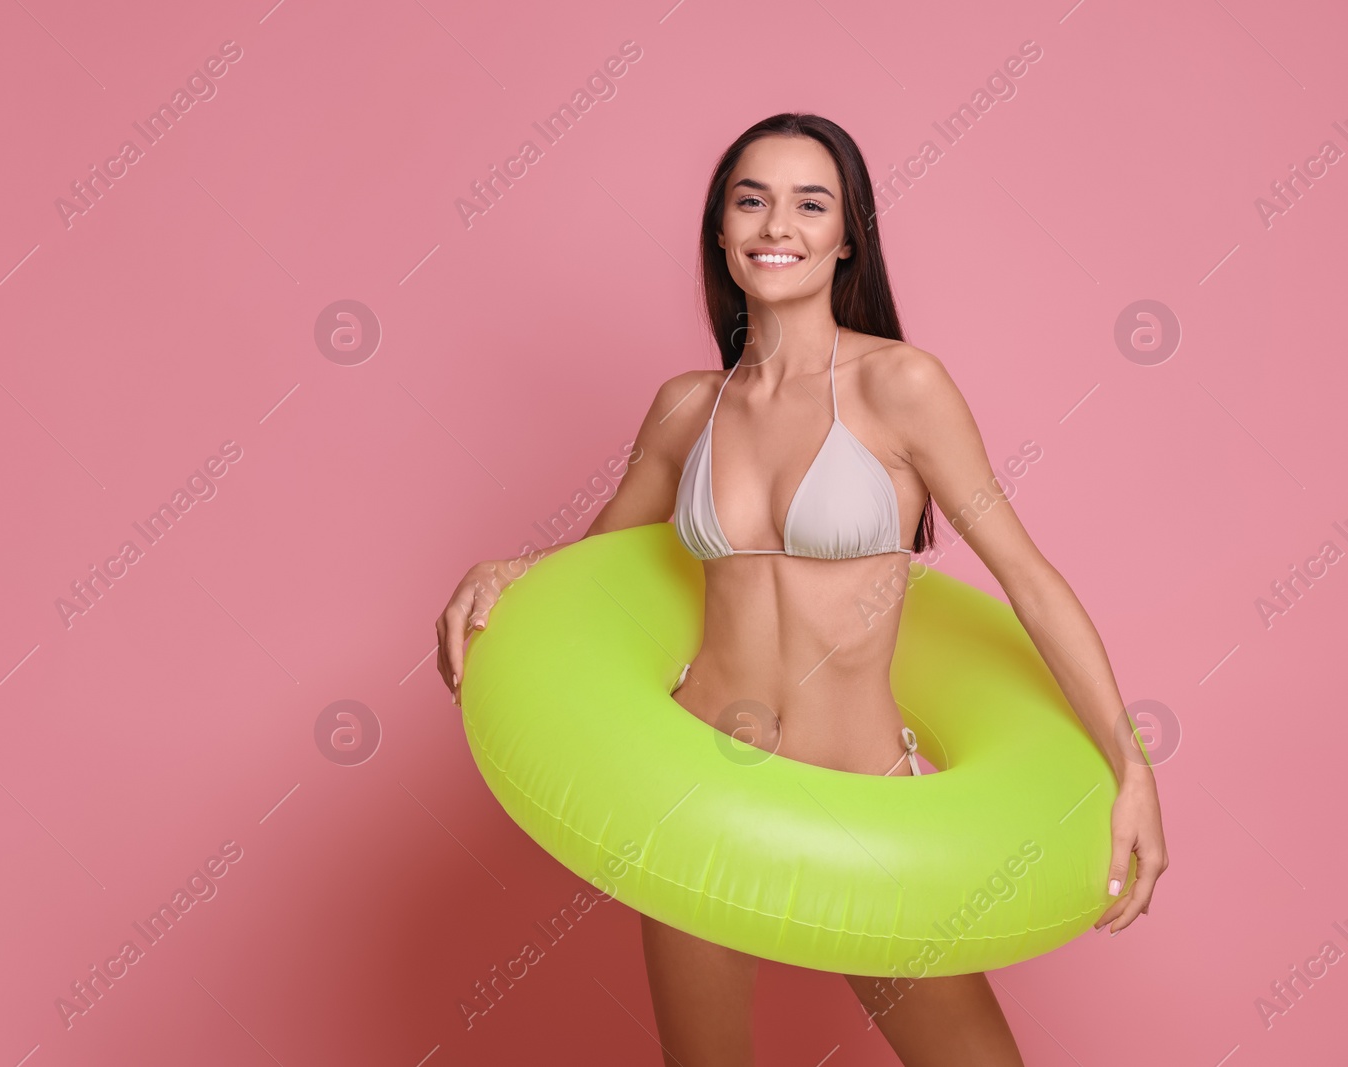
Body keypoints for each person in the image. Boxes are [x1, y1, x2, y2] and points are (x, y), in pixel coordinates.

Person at [435, 112, 1168, 1067]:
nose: (777, 224)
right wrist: (503, 571)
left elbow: (1027, 576)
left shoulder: (901, 386)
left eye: (809, 203)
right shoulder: (685, 408)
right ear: (722, 231)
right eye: (752, 200)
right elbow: (592, 576)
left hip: (864, 799)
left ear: (846, 235)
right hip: (702, 788)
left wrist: (1132, 765)